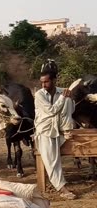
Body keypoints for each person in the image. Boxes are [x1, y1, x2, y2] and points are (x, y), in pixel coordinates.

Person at [34, 59, 76, 200]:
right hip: (46, 130)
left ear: (54, 80)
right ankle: (62, 188)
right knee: (52, 160)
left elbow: (70, 109)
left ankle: (68, 130)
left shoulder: (62, 92)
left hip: (61, 129)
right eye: (42, 83)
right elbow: (51, 111)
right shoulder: (39, 95)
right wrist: (63, 99)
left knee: (69, 100)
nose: (43, 85)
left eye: (46, 82)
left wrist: (69, 98)